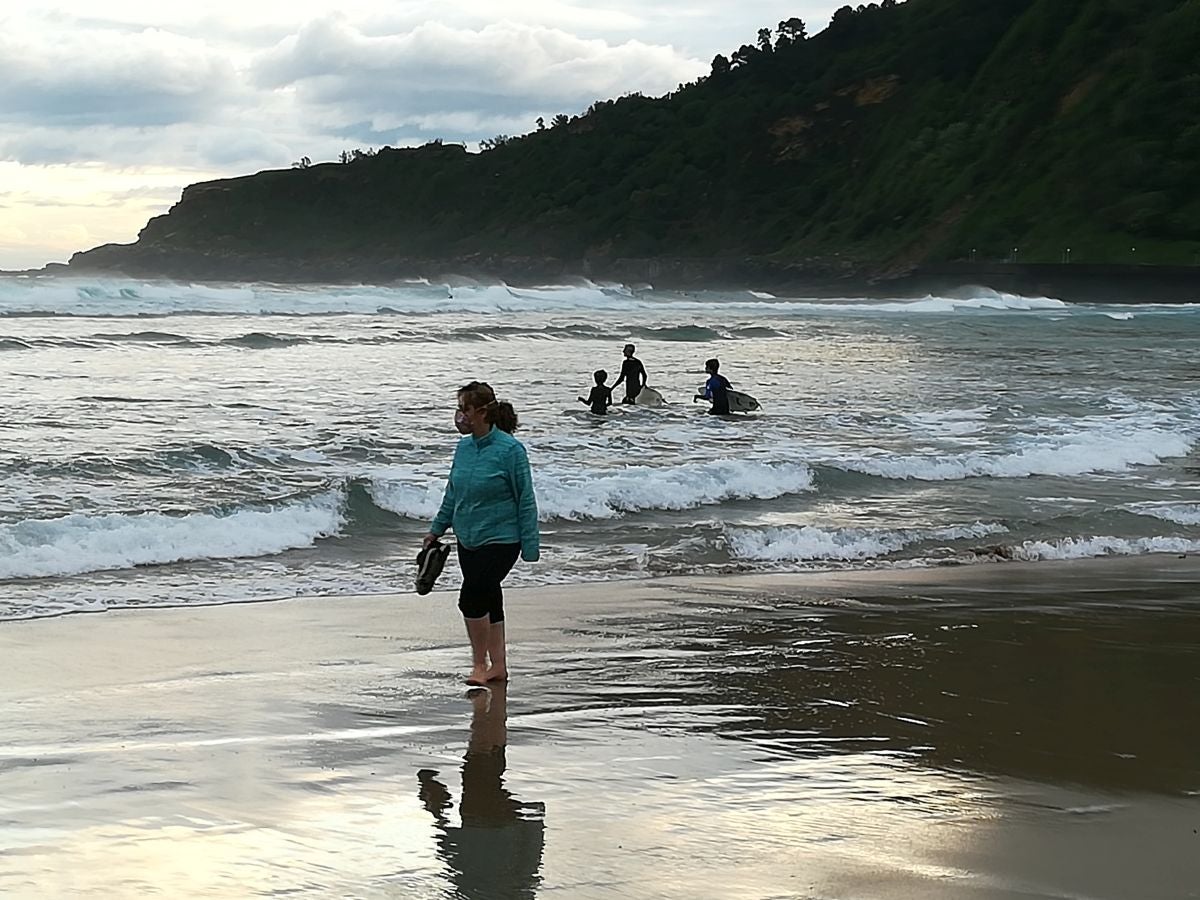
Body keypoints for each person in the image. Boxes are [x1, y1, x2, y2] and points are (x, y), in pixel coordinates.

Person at [425, 381, 540, 685]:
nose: (459, 415)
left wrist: (530, 545)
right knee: (488, 596)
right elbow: (453, 492)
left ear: (481, 412)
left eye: (464, 408)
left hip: (503, 539)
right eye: (459, 408)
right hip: (468, 538)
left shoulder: (510, 450)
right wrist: (436, 529)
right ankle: (498, 665)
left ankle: (479, 665)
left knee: (471, 597)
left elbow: (525, 498)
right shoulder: (463, 448)